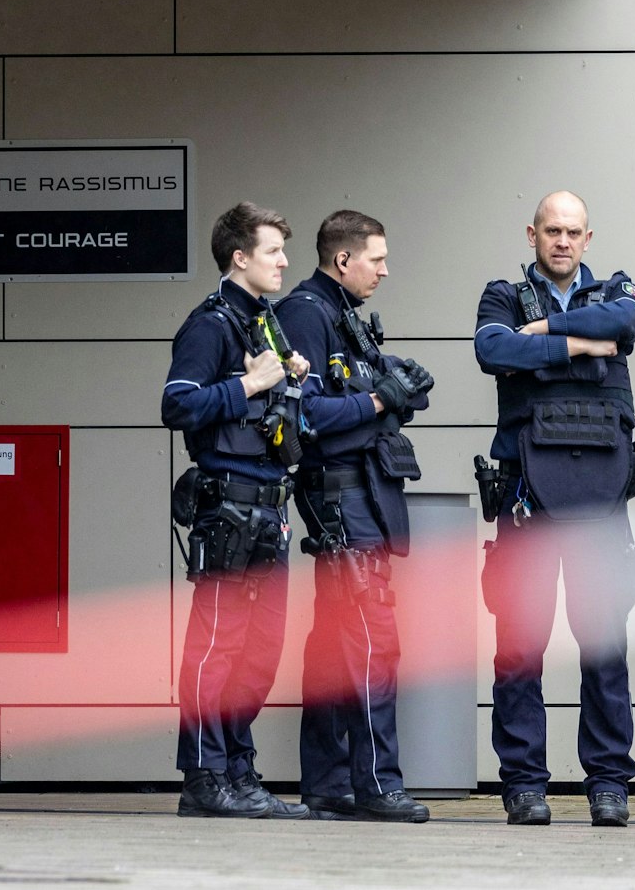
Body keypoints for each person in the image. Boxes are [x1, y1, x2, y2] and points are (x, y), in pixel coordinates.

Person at [472, 190, 635, 827]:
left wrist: (548, 333)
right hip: (526, 495)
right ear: (532, 234)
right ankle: (523, 783)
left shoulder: (615, 289)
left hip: (601, 496)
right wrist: (581, 348)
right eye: (552, 230)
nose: (563, 242)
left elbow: (625, 324)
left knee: (603, 641)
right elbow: (494, 349)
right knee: (520, 643)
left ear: (588, 237)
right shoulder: (502, 296)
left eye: (574, 232)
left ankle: (608, 782)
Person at [276, 210, 435, 823]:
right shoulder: (307, 314)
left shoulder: (340, 315)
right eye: (377, 258)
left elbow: (360, 401)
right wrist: (378, 398)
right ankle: (377, 785)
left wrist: (398, 388)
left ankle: (328, 783)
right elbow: (307, 416)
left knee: (337, 650)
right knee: (373, 642)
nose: (385, 270)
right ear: (344, 259)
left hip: (360, 494)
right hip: (340, 498)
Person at [161, 201, 312, 819]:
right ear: (239, 256)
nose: (283, 261)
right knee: (216, 644)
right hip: (226, 506)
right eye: (273, 250)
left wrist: (291, 376)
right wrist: (249, 385)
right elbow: (177, 405)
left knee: (260, 651)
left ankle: (238, 770)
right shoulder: (211, 324)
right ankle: (203, 777)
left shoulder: (265, 322)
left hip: (270, 507)